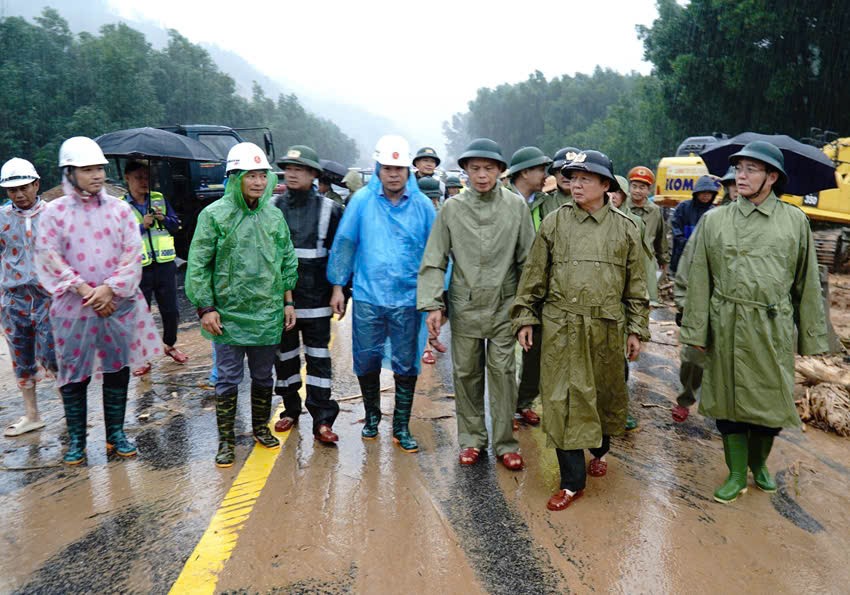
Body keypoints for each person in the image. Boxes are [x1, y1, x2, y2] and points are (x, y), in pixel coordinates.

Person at [680, 140, 828, 504]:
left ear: (772, 177)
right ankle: (734, 473)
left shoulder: (795, 222)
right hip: (725, 323)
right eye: (738, 168)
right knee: (727, 404)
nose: (740, 176)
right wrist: (697, 332)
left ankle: (758, 463)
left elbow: (806, 283)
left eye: (750, 169)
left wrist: (811, 338)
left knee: (772, 406)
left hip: (771, 326)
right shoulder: (716, 220)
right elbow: (701, 279)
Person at [511, 150, 649, 511]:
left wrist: (636, 329)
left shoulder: (626, 228)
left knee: (603, 396)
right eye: (572, 177)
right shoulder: (555, 223)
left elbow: (636, 286)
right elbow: (534, 276)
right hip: (561, 325)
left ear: (606, 185)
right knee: (561, 401)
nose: (576, 184)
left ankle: (600, 449)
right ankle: (572, 482)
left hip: (605, 327)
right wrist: (525, 316)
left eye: (586, 178)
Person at [36, 137, 163, 465]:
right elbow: (49, 255)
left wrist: (109, 289)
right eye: (87, 169)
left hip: (117, 305)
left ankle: (115, 433)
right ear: (70, 172)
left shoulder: (119, 210)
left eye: (100, 169)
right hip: (72, 308)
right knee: (74, 373)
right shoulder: (55, 212)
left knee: (117, 369)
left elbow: (132, 253)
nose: (96, 175)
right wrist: (83, 290)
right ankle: (77, 439)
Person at [418, 138, 535, 470]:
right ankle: (471, 440)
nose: (482, 176)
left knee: (503, 373)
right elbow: (434, 259)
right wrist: (432, 305)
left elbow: (529, 262)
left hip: (504, 305)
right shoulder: (452, 209)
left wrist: (526, 312)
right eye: (475, 169)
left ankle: (505, 443)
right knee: (466, 374)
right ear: (465, 171)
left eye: (488, 169)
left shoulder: (516, 207)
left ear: (500, 170)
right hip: (465, 305)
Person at [185, 142, 298, 468]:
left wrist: (287, 301)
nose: (259, 182)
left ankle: (261, 428)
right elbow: (199, 264)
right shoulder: (214, 216)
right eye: (251, 175)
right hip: (227, 317)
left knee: (263, 376)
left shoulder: (273, 215)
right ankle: (226, 441)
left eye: (263, 175)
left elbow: (286, 262)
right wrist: (206, 308)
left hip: (266, 313)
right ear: (234, 178)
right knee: (228, 378)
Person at [327, 135, 435, 453]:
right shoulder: (362, 201)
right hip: (368, 295)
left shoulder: (423, 207)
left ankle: (401, 425)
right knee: (367, 357)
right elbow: (346, 242)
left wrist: (436, 296)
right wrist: (337, 284)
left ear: (408, 171)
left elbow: (437, 252)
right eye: (387, 167)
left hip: (407, 298)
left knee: (406, 362)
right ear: (378, 168)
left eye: (399, 168)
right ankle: (372, 415)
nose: (393, 174)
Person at [271, 145, 344, 444]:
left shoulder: (330, 209)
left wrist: (339, 290)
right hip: (281, 300)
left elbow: (340, 254)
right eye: (288, 168)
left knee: (318, 359)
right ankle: (289, 409)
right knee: (284, 357)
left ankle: (322, 419)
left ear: (314, 174)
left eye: (298, 169)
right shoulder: (273, 207)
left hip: (317, 299)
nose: (291, 173)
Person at [0, 158, 58, 436]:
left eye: (24, 187)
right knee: (21, 357)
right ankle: (32, 415)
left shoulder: (54, 215)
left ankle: (71, 411)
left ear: (37, 184)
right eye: (12, 190)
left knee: (53, 355)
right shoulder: (2, 218)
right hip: (14, 300)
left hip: (49, 299)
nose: (19, 194)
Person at [122, 160, 188, 376]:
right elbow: (117, 238)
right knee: (141, 314)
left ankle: (169, 344)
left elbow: (175, 224)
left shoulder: (158, 199)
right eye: (138, 177)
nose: (144, 182)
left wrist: (163, 218)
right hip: (139, 268)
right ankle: (142, 357)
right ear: (127, 179)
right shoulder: (121, 206)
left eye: (147, 177)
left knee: (171, 311)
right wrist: (143, 226)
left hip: (165, 265)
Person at [506, 146, 555, 429]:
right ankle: (505, 408)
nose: (545, 175)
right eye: (541, 169)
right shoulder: (503, 202)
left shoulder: (542, 203)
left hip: (536, 288)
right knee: (506, 353)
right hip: (508, 287)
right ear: (525, 172)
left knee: (532, 350)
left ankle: (523, 403)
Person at [626, 166, 668, 306]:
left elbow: (660, 238)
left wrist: (663, 259)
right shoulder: (622, 207)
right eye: (634, 186)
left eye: (642, 187)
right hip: (624, 258)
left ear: (649, 190)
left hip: (646, 261)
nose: (637, 190)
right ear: (629, 187)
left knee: (645, 298)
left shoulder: (655, 211)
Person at [670, 175, 718, 276]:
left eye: (709, 193)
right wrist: (686, 243)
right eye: (703, 192)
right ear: (696, 193)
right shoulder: (683, 207)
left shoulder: (714, 212)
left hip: (704, 258)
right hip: (681, 255)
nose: (706, 195)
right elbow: (675, 227)